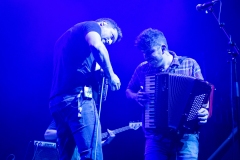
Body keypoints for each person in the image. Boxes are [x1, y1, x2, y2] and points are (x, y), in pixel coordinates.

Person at [126, 28, 210, 160]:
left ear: (163, 48)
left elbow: (203, 94)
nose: (146, 57)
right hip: (155, 138)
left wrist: (205, 111)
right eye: (144, 53)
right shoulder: (142, 69)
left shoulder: (189, 64)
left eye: (150, 52)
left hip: (186, 136)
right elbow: (128, 91)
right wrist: (136, 96)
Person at [49, 18, 122, 160]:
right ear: (103, 24)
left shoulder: (64, 39)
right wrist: (111, 74)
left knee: (67, 156)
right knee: (92, 155)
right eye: (111, 36)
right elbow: (96, 45)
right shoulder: (91, 25)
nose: (109, 42)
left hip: (57, 102)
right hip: (77, 100)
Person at [44, 120, 116, 160]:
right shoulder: (63, 118)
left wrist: (106, 142)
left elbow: (89, 145)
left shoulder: (88, 121)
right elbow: (47, 135)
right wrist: (68, 132)